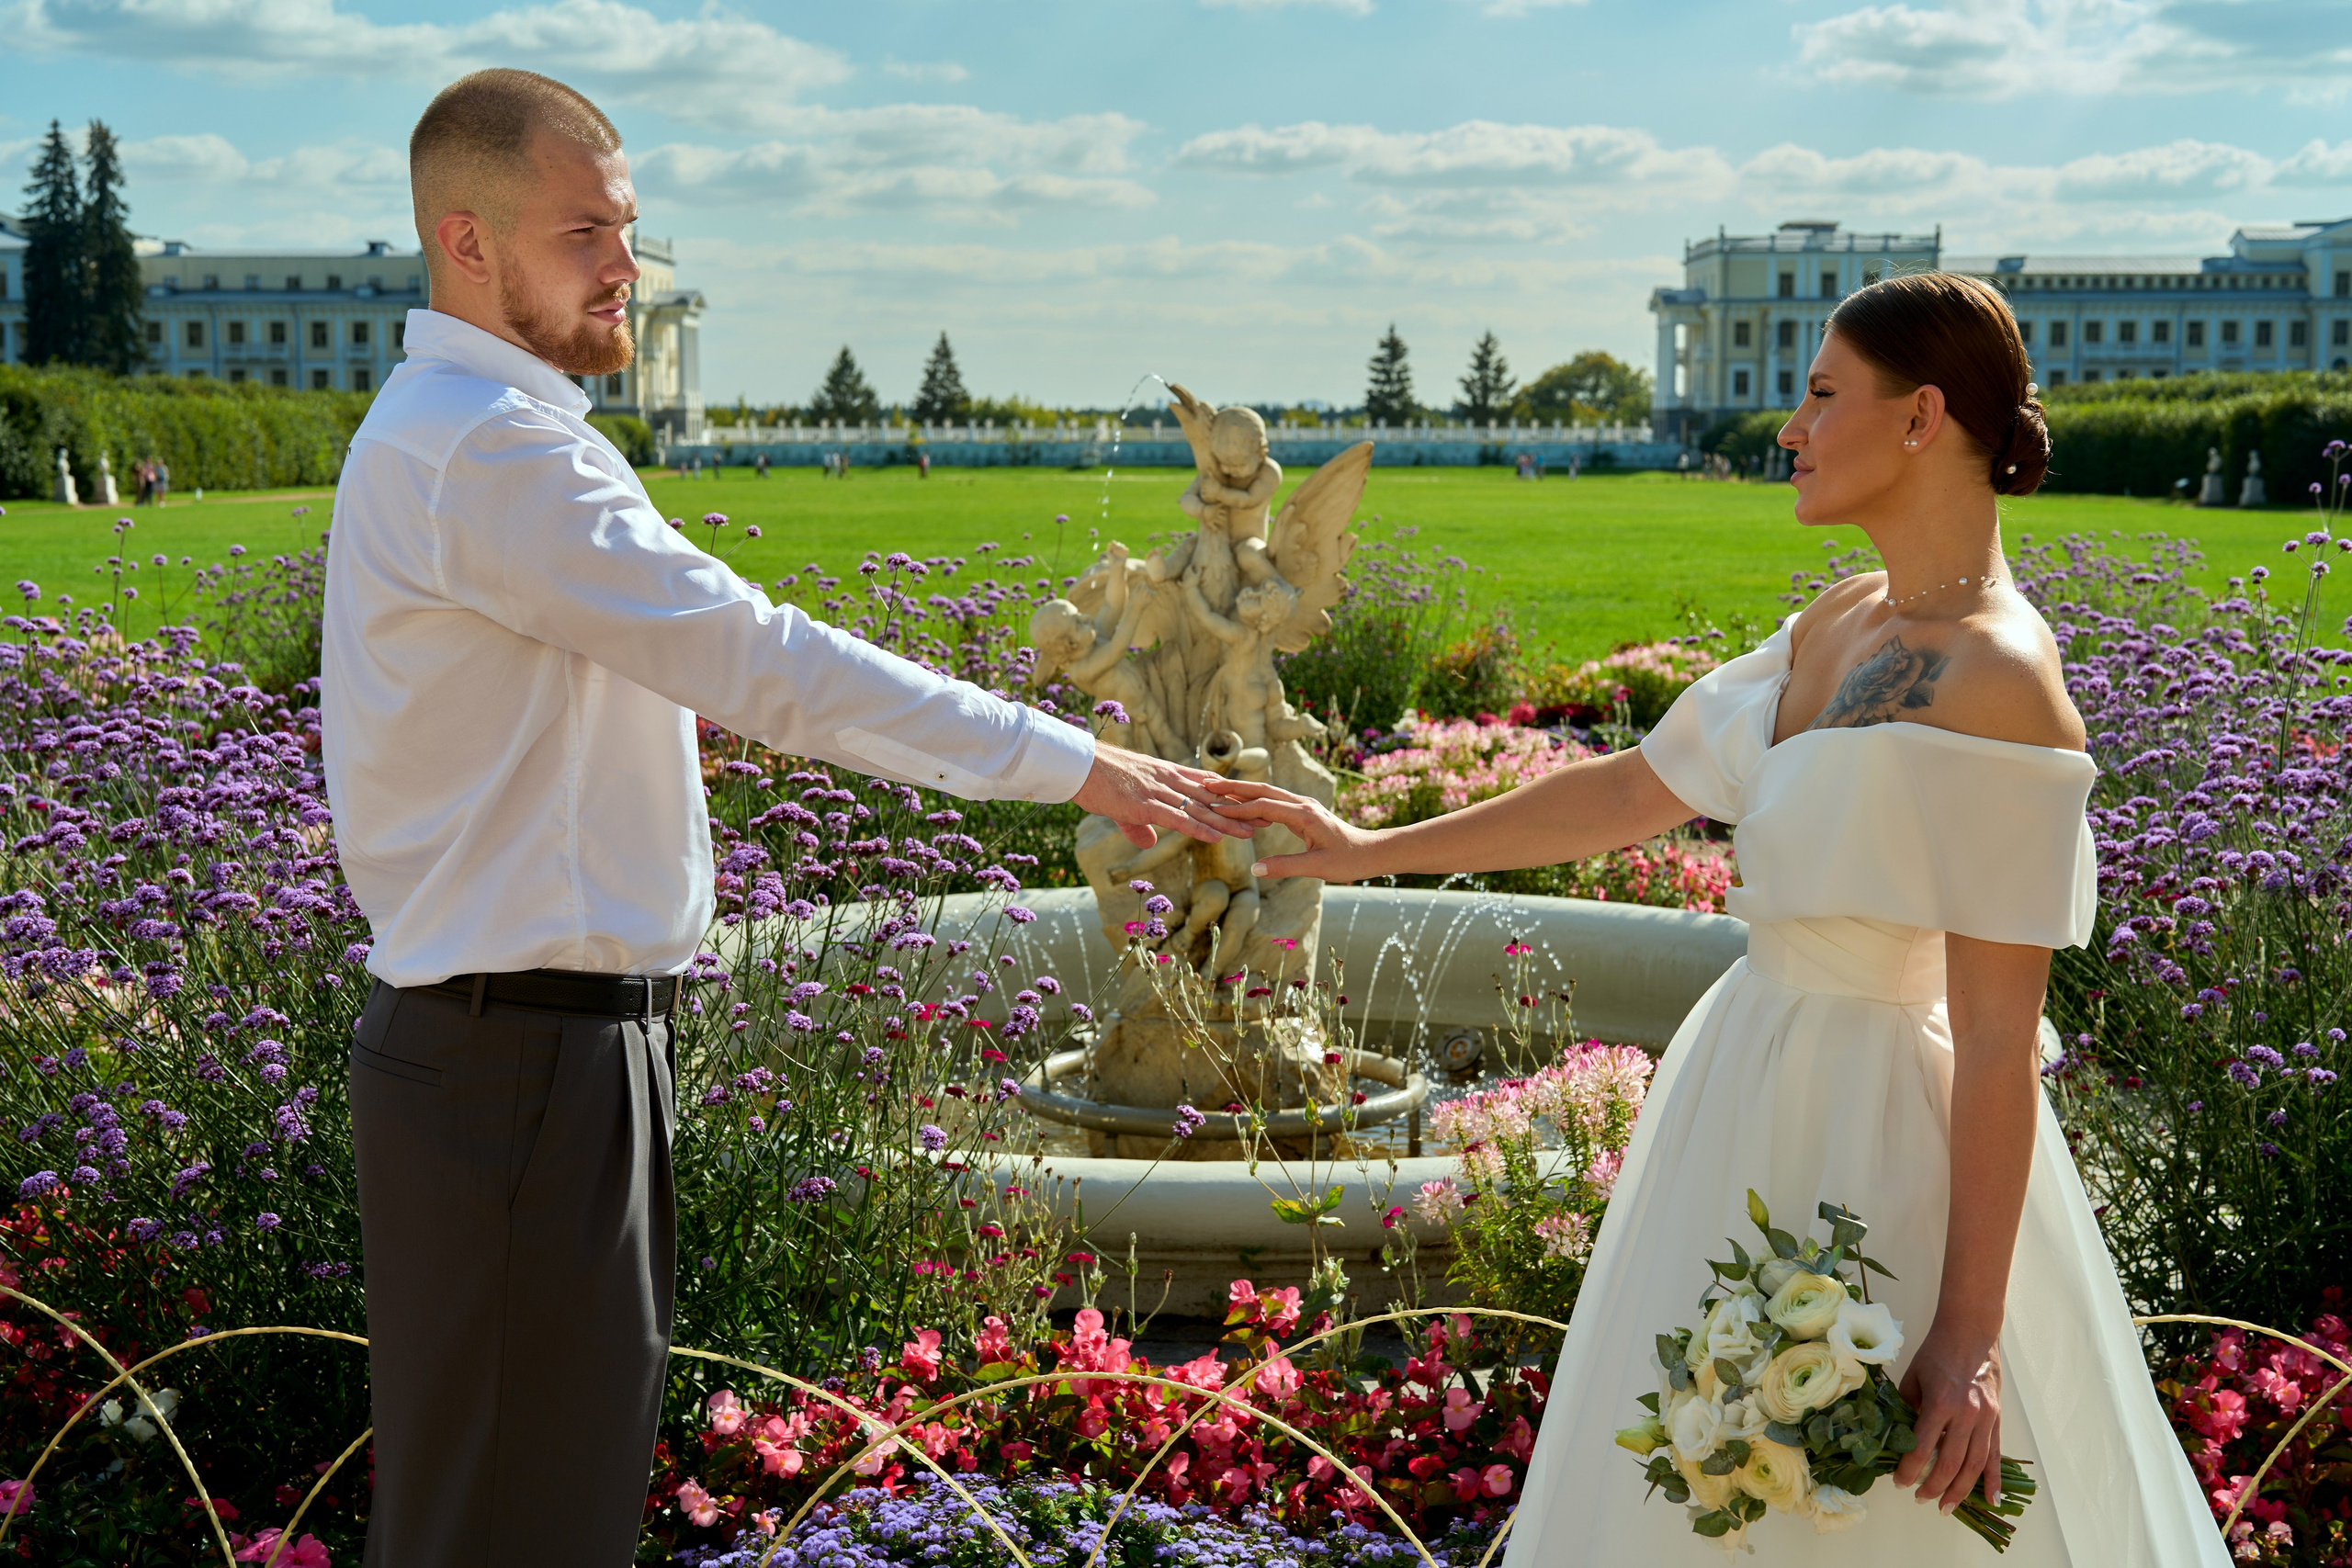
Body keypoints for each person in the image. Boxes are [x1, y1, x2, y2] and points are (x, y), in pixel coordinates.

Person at [320, 69, 1247, 1568]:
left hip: (520, 1054)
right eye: (584, 234)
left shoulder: (456, 426)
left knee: (509, 1514)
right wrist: (1080, 762)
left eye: (627, 227)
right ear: (467, 243)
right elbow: (765, 662)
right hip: (521, 1067)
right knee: (514, 1528)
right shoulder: (494, 449)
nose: (625, 263)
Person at [1208, 274, 2224, 1564]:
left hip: (1889, 1145)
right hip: (1743, 1089)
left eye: (1818, 395)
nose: (1788, 429)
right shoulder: (1839, 620)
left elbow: (1996, 1037)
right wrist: (1367, 852)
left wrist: (1966, 1334)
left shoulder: (2001, 681)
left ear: (1921, 419)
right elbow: (1639, 787)